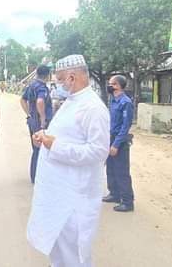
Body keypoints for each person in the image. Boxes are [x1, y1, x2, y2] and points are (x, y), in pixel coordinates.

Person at [27, 54, 110, 267]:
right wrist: (45, 134)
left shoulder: (93, 108)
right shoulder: (72, 101)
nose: (59, 84)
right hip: (59, 193)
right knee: (59, 249)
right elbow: (66, 134)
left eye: (61, 79)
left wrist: (54, 145)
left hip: (76, 196)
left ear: (72, 77)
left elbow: (98, 152)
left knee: (74, 254)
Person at [103, 75, 135, 212]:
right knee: (110, 168)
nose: (109, 86)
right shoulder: (113, 100)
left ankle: (127, 202)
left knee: (121, 171)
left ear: (119, 86)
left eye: (112, 84)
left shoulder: (125, 102)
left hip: (119, 140)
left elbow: (125, 126)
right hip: (110, 137)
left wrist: (116, 144)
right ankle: (114, 194)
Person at [20, 65, 53, 183]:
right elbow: (40, 101)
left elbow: (22, 100)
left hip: (32, 121)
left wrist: (29, 114)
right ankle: (38, 177)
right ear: (48, 75)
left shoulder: (31, 85)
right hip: (40, 124)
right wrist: (43, 118)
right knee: (41, 149)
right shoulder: (41, 87)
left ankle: (34, 176)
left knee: (36, 148)